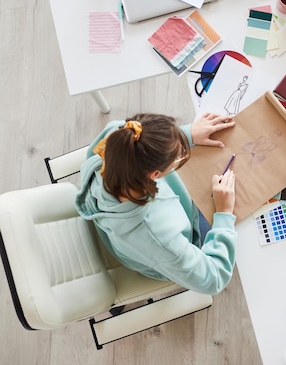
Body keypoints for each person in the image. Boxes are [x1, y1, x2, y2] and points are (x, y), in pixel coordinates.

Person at [75, 111, 237, 296]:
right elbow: (214, 279)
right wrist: (224, 213)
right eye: (176, 157)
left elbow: (143, 142)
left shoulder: (118, 136)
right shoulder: (159, 236)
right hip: (161, 251)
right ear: (155, 175)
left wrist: (188, 133)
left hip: (133, 232)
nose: (181, 153)